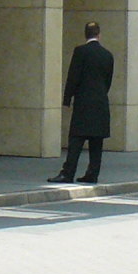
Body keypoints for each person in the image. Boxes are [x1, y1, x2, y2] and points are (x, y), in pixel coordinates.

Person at [49, 21, 114, 184]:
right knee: (96, 142)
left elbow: (73, 77)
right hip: (100, 103)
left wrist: (67, 99)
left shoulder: (80, 52)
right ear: (99, 35)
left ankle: (68, 173)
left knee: (76, 140)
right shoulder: (107, 55)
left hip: (83, 103)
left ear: (86, 35)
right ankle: (92, 174)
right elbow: (108, 81)